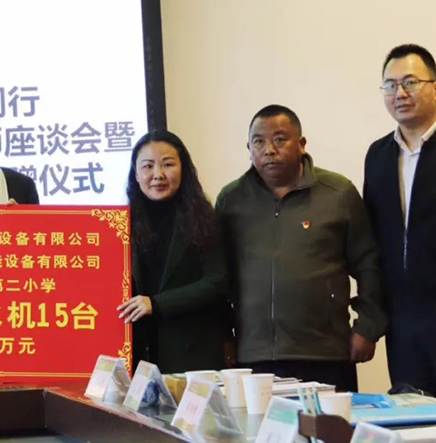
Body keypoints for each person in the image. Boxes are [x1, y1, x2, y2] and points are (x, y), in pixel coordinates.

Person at [216, 105, 386, 392]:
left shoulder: (338, 193)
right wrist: (224, 336)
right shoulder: (231, 200)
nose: (269, 150)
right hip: (254, 356)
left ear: (302, 144)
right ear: (249, 148)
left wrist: (368, 327)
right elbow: (218, 276)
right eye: (259, 142)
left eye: (280, 139)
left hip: (325, 353)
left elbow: (369, 264)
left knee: (330, 423)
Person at [116, 130, 232, 374]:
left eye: (168, 164)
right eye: (147, 166)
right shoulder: (120, 224)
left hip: (192, 353)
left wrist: (157, 304)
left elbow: (217, 282)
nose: (158, 174)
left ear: (184, 169)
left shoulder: (205, 219)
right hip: (138, 355)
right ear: (135, 174)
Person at [364, 44, 436, 394]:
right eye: (390, 85)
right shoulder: (378, 155)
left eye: (410, 82)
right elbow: (372, 236)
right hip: (403, 319)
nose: (400, 93)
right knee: (413, 410)